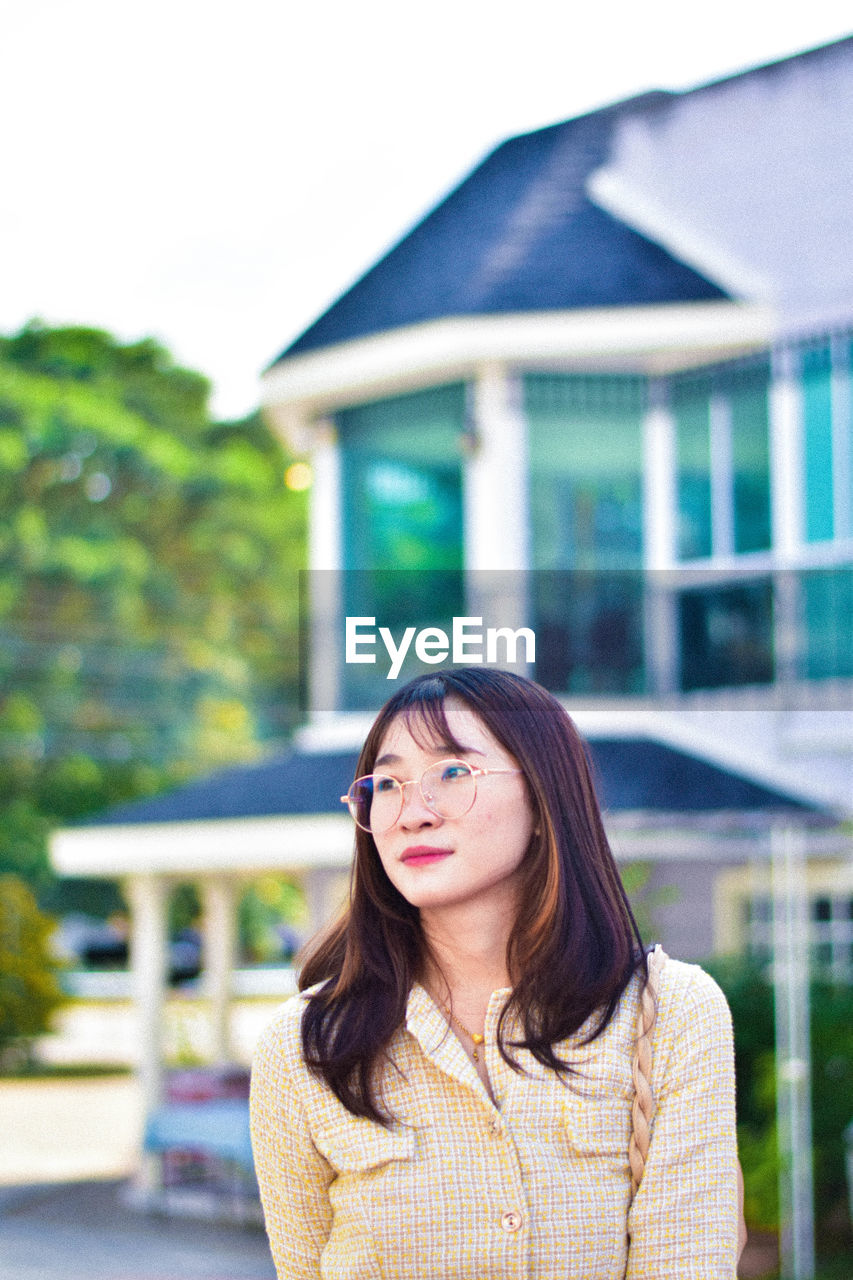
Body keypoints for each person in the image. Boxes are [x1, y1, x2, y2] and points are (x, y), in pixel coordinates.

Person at [250, 667, 742, 1279]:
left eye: (452, 773)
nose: (412, 814)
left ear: (544, 799)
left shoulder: (671, 1012)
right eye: (388, 784)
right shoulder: (306, 1046)